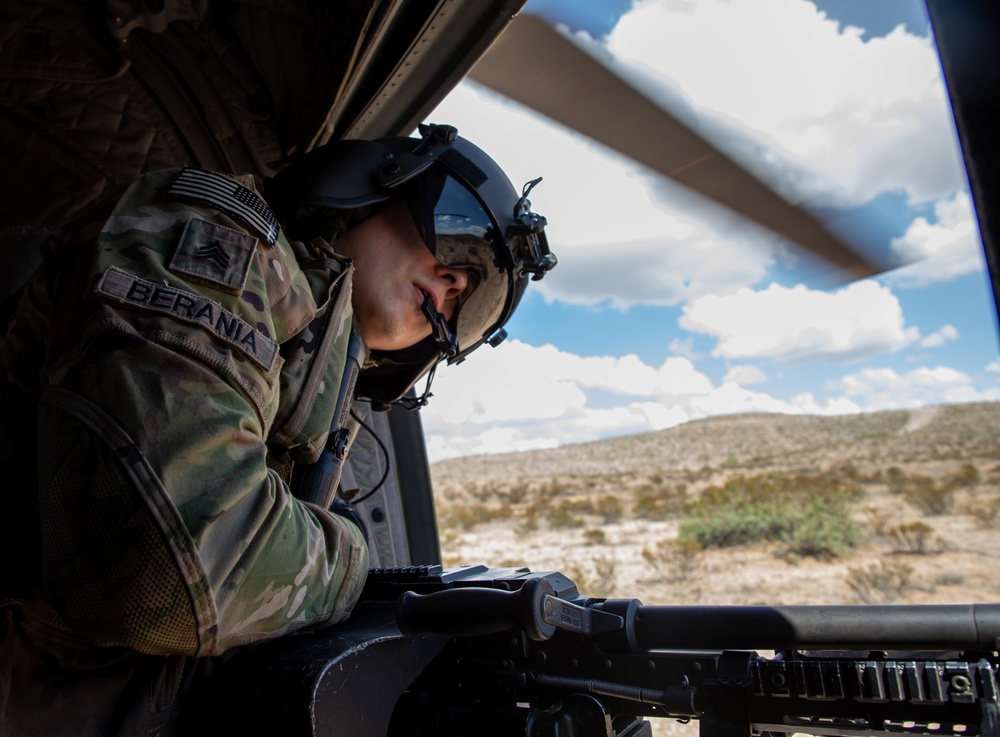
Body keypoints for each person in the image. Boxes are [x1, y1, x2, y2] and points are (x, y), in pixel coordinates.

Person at [0, 123, 555, 736]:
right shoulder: (220, 234)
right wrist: (347, 554)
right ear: (376, 183)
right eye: (456, 235)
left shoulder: (315, 377)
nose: (457, 283)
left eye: (471, 307)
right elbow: (182, 569)